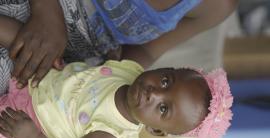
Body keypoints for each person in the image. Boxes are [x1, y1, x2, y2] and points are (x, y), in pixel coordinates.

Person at [0, 14, 233, 138]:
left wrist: (31, 137)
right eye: (165, 81)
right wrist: (111, 53)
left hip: (34, 130)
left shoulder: (114, 132)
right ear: (166, 69)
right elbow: (139, 52)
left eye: (163, 109)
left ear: (155, 131)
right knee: (21, 37)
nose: (155, 94)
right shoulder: (131, 70)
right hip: (37, 84)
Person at [0, 0, 238, 89]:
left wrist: (108, 80)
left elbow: (145, 51)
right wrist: (47, 10)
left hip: (71, 63)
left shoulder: (217, 6)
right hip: (37, 13)